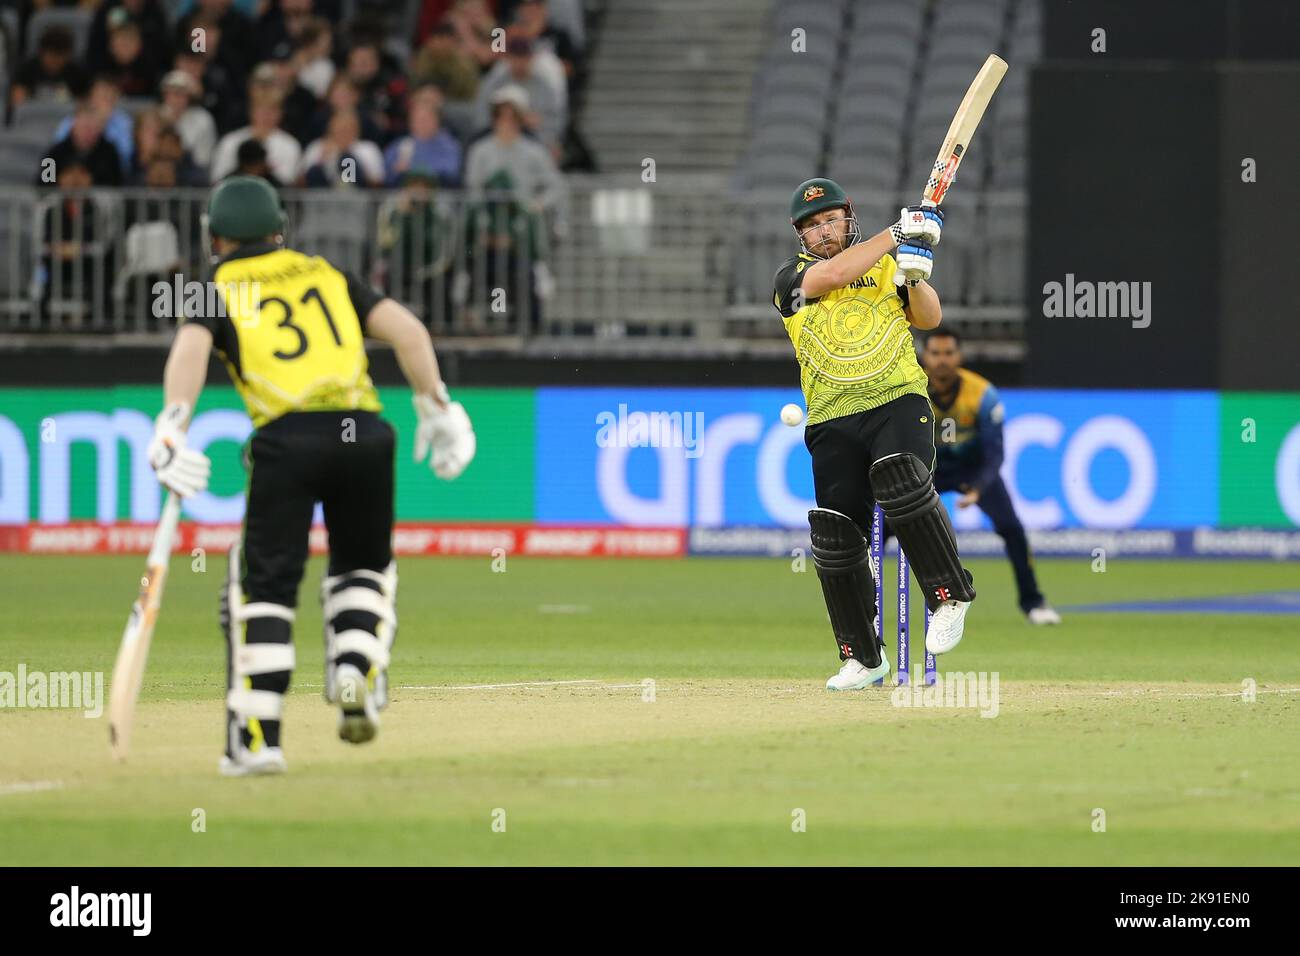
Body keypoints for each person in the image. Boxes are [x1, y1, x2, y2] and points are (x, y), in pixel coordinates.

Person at [147, 176, 477, 776]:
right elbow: (410, 331)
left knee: (264, 586)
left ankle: (258, 739)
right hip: (365, 434)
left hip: (287, 438)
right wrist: (438, 407)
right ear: (280, 228)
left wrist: (171, 427)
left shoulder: (211, 287)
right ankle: (355, 667)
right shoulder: (325, 271)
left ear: (214, 235)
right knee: (363, 569)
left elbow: (190, 353)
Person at [772, 178, 976, 690]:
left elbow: (930, 318)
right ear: (800, 235)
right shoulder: (790, 279)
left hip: (898, 401)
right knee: (836, 535)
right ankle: (864, 656)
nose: (822, 232)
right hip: (830, 415)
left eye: (829, 220)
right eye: (811, 226)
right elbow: (836, 274)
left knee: (900, 478)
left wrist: (912, 277)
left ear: (848, 216)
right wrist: (899, 232)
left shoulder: (887, 264)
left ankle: (949, 595)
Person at [922, 329, 1061, 625]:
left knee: (1012, 529)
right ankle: (867, 611)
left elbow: (995, 453)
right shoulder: (913, 389)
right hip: (927, 470)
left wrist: (978, 488)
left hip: (972, 469)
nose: (942, 360)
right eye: (936, 353)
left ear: (958, 356)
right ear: (925, 356)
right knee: (878, 533)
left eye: (949, 353)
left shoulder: (983, 394)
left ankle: (1033, 603)